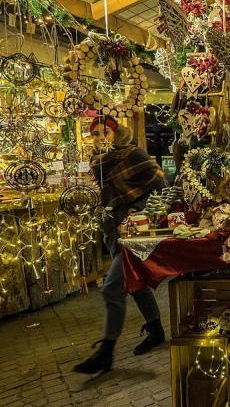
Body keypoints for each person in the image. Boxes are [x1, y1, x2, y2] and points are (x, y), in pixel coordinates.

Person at [73, 116, 168, 374]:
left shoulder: (132, 155)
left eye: (105, 133)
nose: (100, 138)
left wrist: (137, 213)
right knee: (135, 285)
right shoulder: (98, 163)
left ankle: (106, 352)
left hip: (131, 231)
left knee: (112, 289)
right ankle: (156, 330)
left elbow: (160, 183)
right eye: (95, 134)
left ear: (116, 134)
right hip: (112, 232)